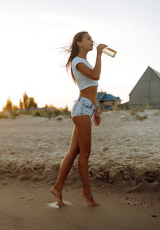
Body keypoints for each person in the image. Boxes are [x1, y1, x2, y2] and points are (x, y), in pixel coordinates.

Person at [50, 31, 107, 207]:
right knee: (85, 154)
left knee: (74, 152)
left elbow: (88, 88)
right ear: (80, 43)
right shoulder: (78, 61)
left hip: (85, 109)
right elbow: (96, 76)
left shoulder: (83, 62)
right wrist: (99, 53)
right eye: (88, 39)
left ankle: (57, 187)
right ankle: (86, 192)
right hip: (82, 109)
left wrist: (95, 109)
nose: (92, 41)